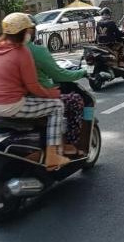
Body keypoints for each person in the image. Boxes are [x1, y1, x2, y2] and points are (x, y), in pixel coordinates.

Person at [0, 12, 69, 170]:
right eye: (28, 31)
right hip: (10, 105)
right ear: (22, 33)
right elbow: (33, 86)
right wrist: (52, 94)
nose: (29, 34)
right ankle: (53, 155)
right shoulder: (21, 52)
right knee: (57, 106)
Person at [26, 22, 87, 154]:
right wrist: (82, 72)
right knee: (75, 100)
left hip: (3, 101)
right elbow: (58, 74)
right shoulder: (34, 51)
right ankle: (69, 144)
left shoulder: (1, 50)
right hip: (34, 98)